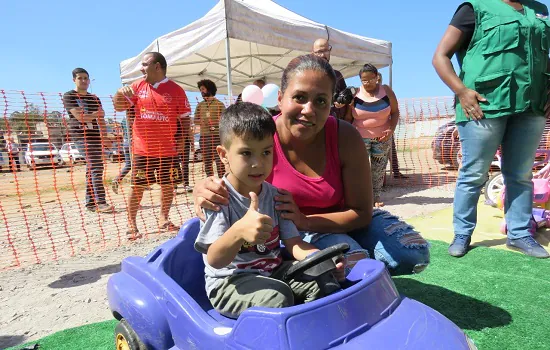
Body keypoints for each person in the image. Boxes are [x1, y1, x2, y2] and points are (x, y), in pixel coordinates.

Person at [194, 54, 430, 276]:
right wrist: (203, 189)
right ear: (280, 98)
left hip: (342, 221)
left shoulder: (345, 136)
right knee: (353, 262)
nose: (309, 110)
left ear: (331, 104)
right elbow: (232, 180)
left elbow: (361, 213)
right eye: (299, 97)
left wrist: (304, 219)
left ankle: (353, 268)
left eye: (320, 101)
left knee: (413, 253)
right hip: (294, 234)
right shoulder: (260, 139)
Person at [195, 102, 345, 318]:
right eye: (246, 153)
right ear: (223, 154)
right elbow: (214, 260)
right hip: (230, 283)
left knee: (323, 280)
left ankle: (318, 330)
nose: (258, 163)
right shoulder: (218, 198)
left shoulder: (276, 196)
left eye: (266, 152)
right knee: (278, 298)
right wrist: (238, 232)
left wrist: (323, 261)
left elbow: (294, 244)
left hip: (273, 272)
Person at [433, 0, 550, 258]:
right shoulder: (474, 8)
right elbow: (440, 56)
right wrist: (461, 91)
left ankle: (519, 234)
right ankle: (462, 233)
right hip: (484, 105)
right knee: (474, 174)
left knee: (520, 175)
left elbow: (543, 57)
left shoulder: (540, 9)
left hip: (532, 106)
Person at [113, 52, 192, 239]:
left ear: (157, 66)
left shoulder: (177, 90)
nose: (141, 68)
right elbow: (118, 107)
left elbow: (185, 118)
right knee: (137, 186)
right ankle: (131, 225)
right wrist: (119, 93)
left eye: (144, 64)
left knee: (168, 185)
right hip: (143, 150)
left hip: (168, 150)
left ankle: (163, 219)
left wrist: (183, 141)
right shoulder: (136, 86)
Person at [347, 64, 401, 208]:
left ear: (377, 77)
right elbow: (348, 117)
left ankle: (376, 196)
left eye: (371, 79)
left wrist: (391, 129)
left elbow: (395, 112)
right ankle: (363, 197)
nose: (368, 82)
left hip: (382, 138)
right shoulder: (355, 94)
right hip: (359, 138)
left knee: (378, 169)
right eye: (364, 80)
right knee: (361, 168)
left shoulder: (386, 91)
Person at [63, 68, 113, 213]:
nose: (84, 81)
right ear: (74, 80)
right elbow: (80, 117)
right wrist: (96, 114)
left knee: (92, 168)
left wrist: (105, 137)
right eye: (80, 78)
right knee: (97, 166)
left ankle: (90, 203)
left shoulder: (94, 98)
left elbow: (102, 120)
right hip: (81, 135)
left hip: (95, 135)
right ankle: (101, 202)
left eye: (86, 78)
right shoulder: (69, 96)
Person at [377, 73, 409, 180]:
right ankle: (382, 175)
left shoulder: (385, 90)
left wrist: (391, 126)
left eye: (379, 79)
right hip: (374, 129)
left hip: (387, 127)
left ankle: (395, 171)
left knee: (391, 151)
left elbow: (394, 110)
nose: (377, 81)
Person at [194, 79, 226, 178]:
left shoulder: (220, 104)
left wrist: (215, 124)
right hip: (204, 137)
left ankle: (223, 181)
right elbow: (195, 120)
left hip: (217, 137)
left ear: (209, 89)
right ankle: (211, 181)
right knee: (207, 162)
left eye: (203, 89)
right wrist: (202, 122)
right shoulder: (200, 105)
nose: (201, 91)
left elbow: (225, 120)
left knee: (220, 161)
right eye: (200, 90)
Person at [111, 107, 134, 194]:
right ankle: (136, 182)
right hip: (133, 143)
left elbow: (123, 133)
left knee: (129, 165)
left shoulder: (124, 120)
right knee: (138, 164)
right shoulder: (133, 119)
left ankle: (117, 179)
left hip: (126, 143)